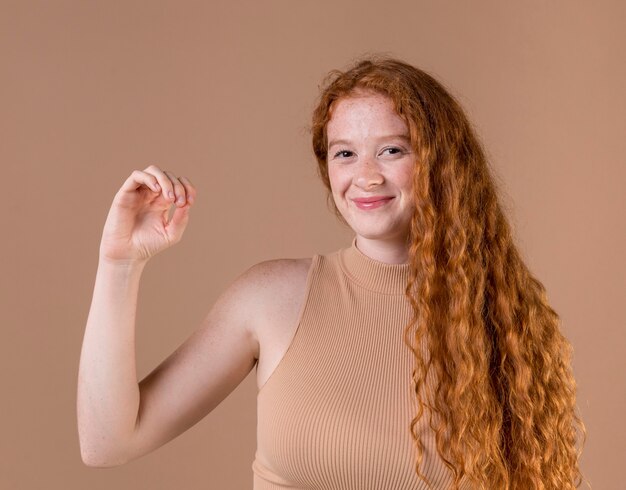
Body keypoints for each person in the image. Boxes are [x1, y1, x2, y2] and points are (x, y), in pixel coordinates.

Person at [77, 56, 586, 489]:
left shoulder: (505, 324)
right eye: (345, 153)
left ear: (441, 163)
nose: (365, 175)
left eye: (392, 149)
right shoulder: (270, 298)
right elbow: (108, 442)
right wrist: (119, 263)